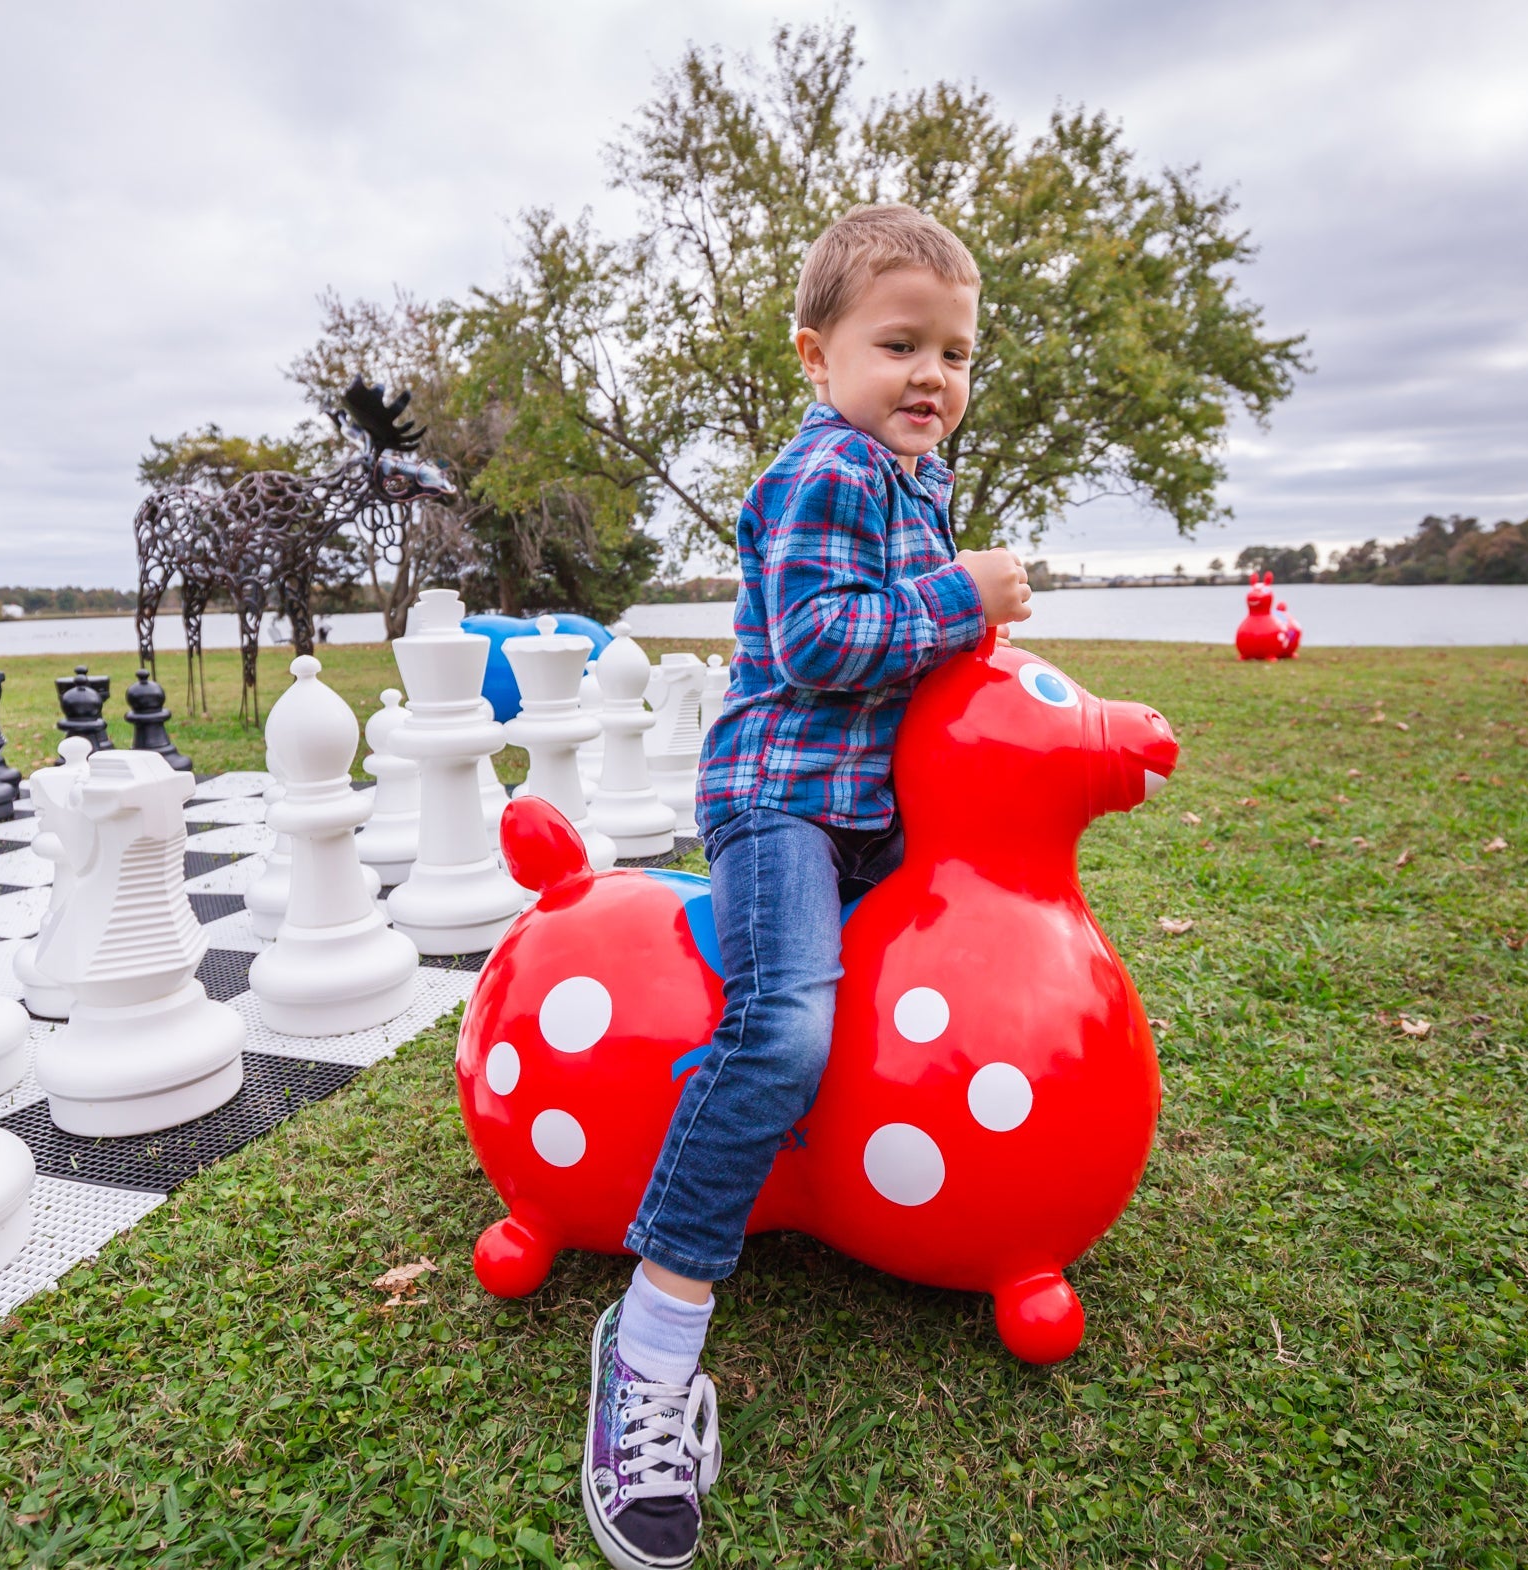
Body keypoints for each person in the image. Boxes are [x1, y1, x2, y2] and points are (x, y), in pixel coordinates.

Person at [581, 203, 1034, 1570]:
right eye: (898, 343)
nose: (930, 377)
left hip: (871, 813)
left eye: (953, 352)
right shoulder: (823, 468)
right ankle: (648, 1347)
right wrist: (966, 592)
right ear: (815, 353)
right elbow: (827, 643)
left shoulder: (914, 478)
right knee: (782, 1024)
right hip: (779, 797)